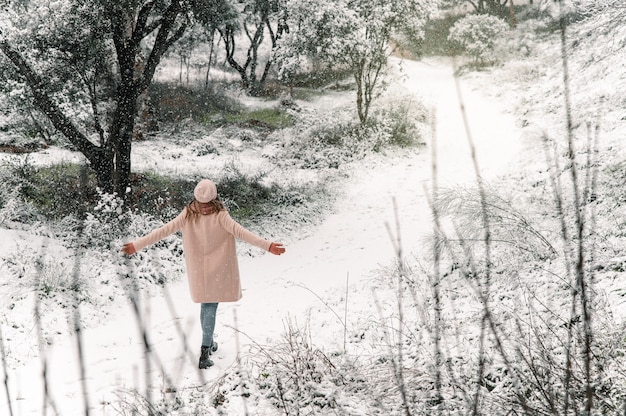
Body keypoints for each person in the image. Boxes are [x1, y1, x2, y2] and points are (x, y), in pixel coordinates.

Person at [121, 179, 286, 369]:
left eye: (206, 205)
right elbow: (241, 232)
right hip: (216, 268)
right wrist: (268, 246)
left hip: (199, 269)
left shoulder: (190, 213)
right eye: (204, 204)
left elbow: (164, 230)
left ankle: (209, 343)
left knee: (206, 305)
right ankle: (205, 350)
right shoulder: (218, 214)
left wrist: (136, 245)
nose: (206, 209)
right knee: (209, 306)